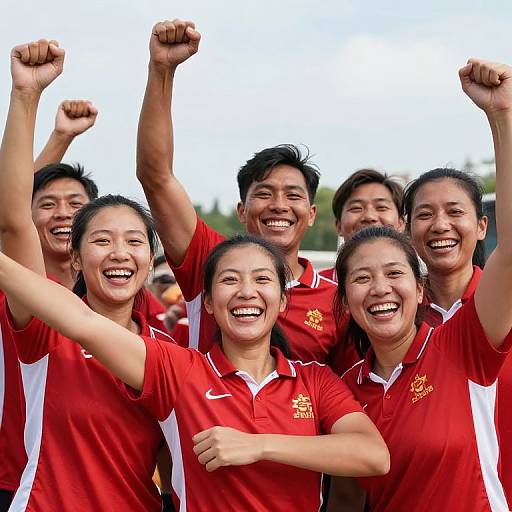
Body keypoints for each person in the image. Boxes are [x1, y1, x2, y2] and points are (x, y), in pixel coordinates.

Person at [0, 232, 391, 511]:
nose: (246, 293)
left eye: (261, 280)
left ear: (283, 300)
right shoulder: (179, 370)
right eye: (229, 280)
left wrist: (258, 445)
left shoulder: (315, 379)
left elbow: (373, 455)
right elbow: (81, 321)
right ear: (207, 303)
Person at [328, 58, 512, 512]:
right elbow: (350, 495)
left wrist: (502, 118)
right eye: (362, 279)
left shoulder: (461, 339)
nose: (380, 289)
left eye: (393, 275)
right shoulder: (347, 384)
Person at [0, 39, 173, 511]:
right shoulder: (45, 328)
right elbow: (14, 220)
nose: (119, 253)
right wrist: (25, 96)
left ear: (150, 256)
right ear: (74, 259)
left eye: (135, 241)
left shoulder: (171, 353)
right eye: (100, 240)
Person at [136, 19, 353, 372]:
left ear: (311, 213)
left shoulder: (335, 300)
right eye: (264, 194)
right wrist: (162, 70)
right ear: (242, 209)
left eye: (293, 195)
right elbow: (155, 177)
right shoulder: (211, 261)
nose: (279, 206)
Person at [0, 93, 98, 509]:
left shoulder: (126, 299)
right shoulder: (15, 288)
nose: (63, 214)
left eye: (77, 205)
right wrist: (58, 139)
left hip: (91, 480)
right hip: (18, 476)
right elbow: (10, 213)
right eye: (48, 205)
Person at [402, 178, 511, 502]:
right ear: (407, 231)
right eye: (425, 215)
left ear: (481, 226)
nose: (440, 225)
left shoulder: (501, 305)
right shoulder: (394, 323)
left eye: (454, 212)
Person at [319, 169, 404, 282]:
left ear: (401, 223)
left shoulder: (419, 287)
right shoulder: (317, 288)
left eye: (381, 207)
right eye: (356, 208)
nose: (369, 217)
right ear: (338, 225)